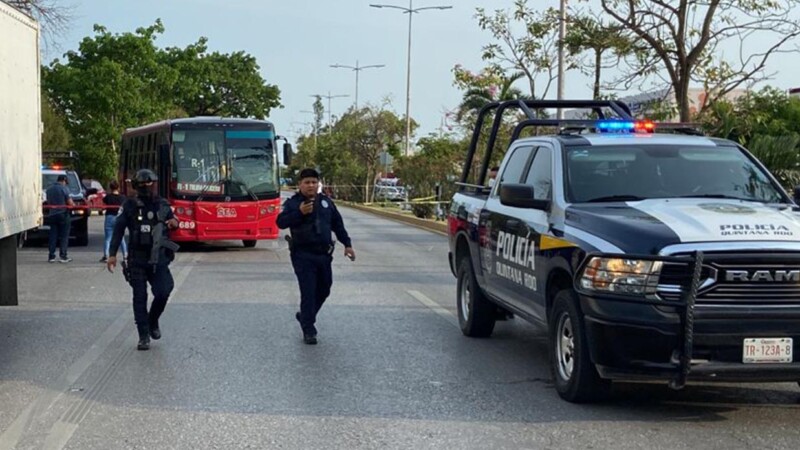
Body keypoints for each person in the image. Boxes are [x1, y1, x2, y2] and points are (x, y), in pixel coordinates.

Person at [277, 168, 355, 345]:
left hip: (324, 255)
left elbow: (338, 224)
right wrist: (299, 213)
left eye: (314, 182)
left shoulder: (326, 202)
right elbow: (280, 222)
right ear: (300, 184)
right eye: (307, 182)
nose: (311, 185)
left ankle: (305, 315)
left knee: (324, 289)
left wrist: (348, 245)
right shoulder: (293, 203)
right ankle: (309, 329)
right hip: (303, 255)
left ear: (318, 184)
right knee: (308, 291)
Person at [106, 169, 179, 351]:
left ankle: (152, 320)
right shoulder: (129, 205)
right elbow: (118, 230)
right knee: (140, 297)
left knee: (163, 291)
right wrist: (112, 254)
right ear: (137, 186)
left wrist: (174, 222)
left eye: (150, 184)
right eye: (144, 185)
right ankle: (143, 335)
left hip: (158, 258)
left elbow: (173, 221)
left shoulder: (162, 204)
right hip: (137, 258)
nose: (148, 187)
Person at [45, 174, 74, 263]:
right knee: (64, 236)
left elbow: (48, 201)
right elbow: (70, 203)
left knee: (53, 236)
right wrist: (73, 205)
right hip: (63, 214)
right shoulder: (64, 189)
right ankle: (63, 256)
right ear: (64, 181)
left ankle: (51, 256)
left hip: (52, 215)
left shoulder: (49, 189)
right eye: (66, 182)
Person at [100, 180, 127, 263]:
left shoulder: (108, 197)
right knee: (121, 237)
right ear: (118, 187)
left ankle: (106, 255)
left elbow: (103, 203)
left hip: (109, 217)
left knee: (108, 238)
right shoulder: (122, 198)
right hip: (119, 217)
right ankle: (125, 255)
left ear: (110, 188)